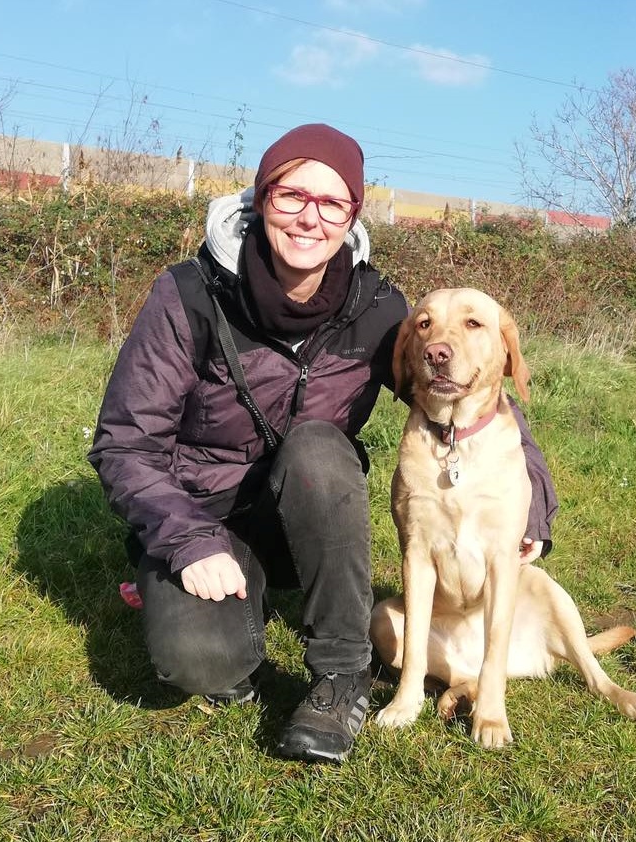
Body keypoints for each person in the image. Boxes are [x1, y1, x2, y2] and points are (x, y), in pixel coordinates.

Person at [88, 123, 558, 764]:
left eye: (332, 203)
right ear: (262, 199)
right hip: (204, 517)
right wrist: (188, 540)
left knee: (318, 446)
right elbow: (125, 444)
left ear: (352, 216)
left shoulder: (378, 309)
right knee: (199, 663)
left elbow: (478, 399)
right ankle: (231, 614)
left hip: (312, 515)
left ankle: (342, 674)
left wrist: (534, 503)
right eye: (291, 196)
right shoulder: (189, 295)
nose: (310, 218)